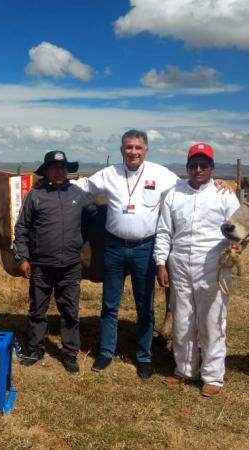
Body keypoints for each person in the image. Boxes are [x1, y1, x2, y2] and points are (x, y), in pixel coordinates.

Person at [72, 129, 179, 379]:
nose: (133, 152)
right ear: (122, 150)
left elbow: (187, 187)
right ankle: (106, 352)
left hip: (145, 248)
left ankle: (144, 356)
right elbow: (84, 185)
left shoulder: (160, 174)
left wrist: (216, 185)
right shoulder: (110, 174)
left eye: (138, 148)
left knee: (145, 306)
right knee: (110, 304)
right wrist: (52, 183)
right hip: (114, 247)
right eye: (128, 147)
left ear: (146, 150)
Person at [154, 143, 241, 397]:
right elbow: (163, 231)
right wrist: (161, 262)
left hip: (212, 264)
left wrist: (235, 245)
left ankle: (213, 375)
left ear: (212, 167)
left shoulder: (224, 194)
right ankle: (184, 368)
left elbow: (237, 228)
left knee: (212, 320)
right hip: (179, 262)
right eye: (194, 165)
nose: (198, 169)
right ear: (187, 167)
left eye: (204, 165)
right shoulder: (174, 194)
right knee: (182, 318)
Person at [13, 150, 97, 373]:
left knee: (70, 311)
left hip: (70, 265)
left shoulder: (78, 195)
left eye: (62, 167)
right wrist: (23, 258)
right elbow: (21, 228)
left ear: (67, 170)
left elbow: (94, 218)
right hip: (40, 264)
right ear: (47, 171)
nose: (59, 171)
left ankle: (69, 353)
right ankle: (35, 349)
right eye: (54, 167)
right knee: (37, 310)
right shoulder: (35, 195)